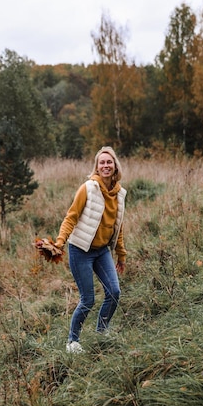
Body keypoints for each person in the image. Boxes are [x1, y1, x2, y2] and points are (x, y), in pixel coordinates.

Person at [55, 146, 127, 353]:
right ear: (97, 167)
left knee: (113, 292)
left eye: (109, 162)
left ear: (115, 166)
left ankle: (101, 332)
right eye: (102, 162)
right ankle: (72, 342)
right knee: (88, 299)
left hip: (102, 250)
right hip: (80, 250)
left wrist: (121, 254)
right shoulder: (88, 188)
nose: (105, 165)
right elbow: (71, 217)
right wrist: (60, 242)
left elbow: (118, 226)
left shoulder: (119, 194)